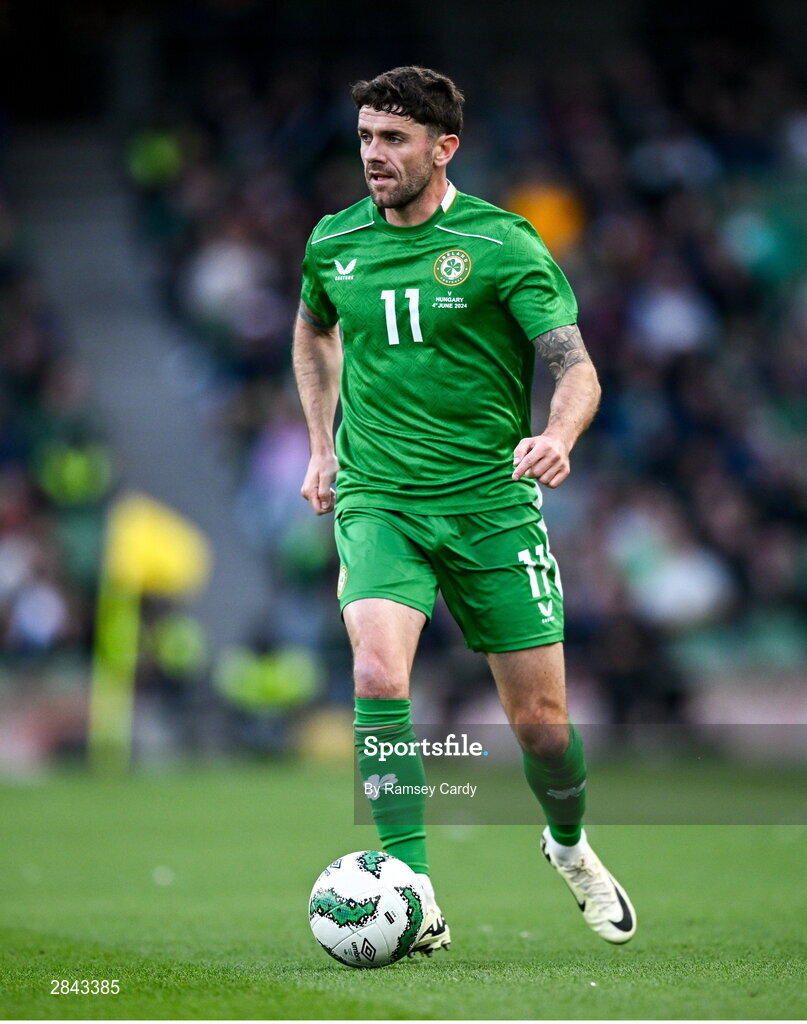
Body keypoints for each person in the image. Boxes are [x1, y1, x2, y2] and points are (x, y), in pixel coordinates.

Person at [293, 65, 636, 954]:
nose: (374, 154)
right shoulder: (333, 243)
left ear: (443, 148)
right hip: (381, 500)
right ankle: (410, 885)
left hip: (489, 504)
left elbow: (574, 364)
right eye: (366, 136)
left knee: (543, 729)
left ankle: (569, 846)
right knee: (376, 676)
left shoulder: (502, 243)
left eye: (394, 139)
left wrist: (557, 435)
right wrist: (323, 444)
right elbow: (313, 327)